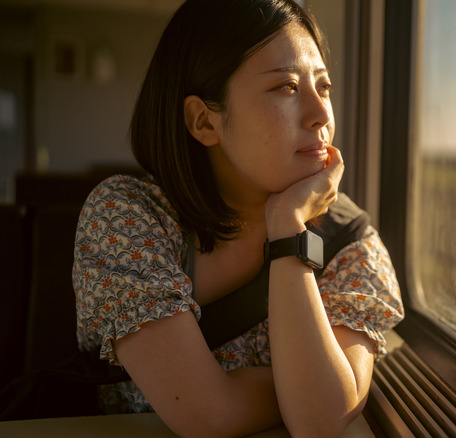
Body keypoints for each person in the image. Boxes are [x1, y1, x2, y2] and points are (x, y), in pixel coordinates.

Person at [71, 0, 404, 436]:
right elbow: (208, 414)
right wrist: (299, 389)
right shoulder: (127, 217)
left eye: (323, 86)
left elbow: (319, 419)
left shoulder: (349, 242)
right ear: (204, 122)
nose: (321, 114)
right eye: (286, 87)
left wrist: (288, 225)